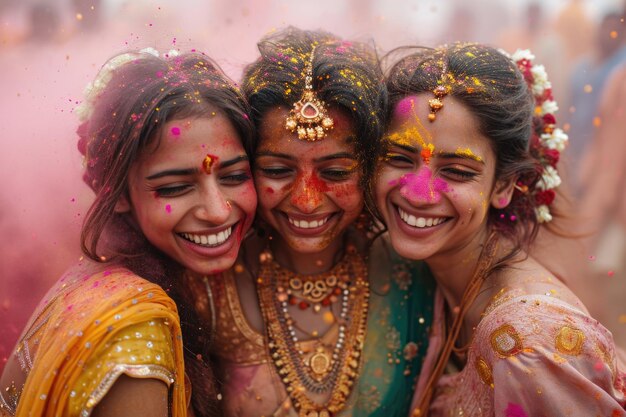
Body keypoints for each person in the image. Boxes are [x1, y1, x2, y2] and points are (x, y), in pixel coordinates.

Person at [183, 27, 435, 417]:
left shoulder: (414, 267)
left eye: (335, 172)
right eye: (277, 170)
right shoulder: (209, 283)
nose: (306, 200)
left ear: (371, 166)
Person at [0, 48, 257, 417]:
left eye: (234, 177)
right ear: (117, 193)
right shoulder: (134, 333)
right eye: (174, 187)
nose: (217, 211)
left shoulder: (99, 278)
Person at [376, 43, 626, 416]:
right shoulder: (429, 279)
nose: (418, 194)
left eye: (457, 172)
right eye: (398, 158)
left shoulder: (530, 341)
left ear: (505, 187)